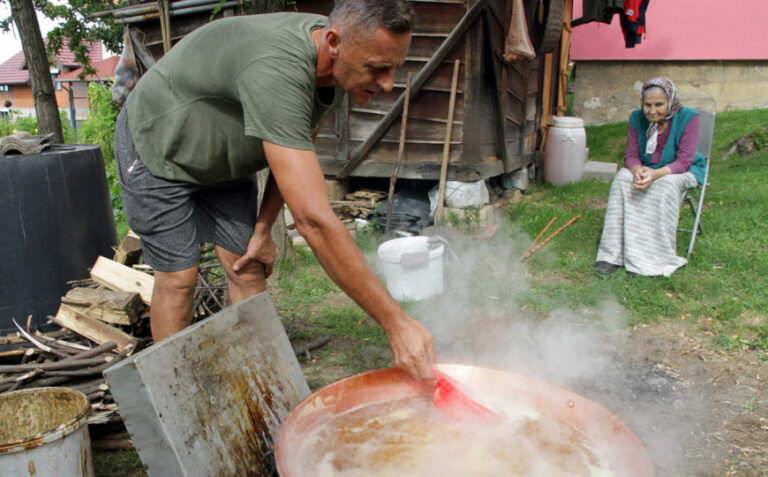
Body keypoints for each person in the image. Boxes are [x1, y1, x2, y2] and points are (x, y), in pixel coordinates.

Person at [114, 0, 436, 381]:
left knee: (247, 265)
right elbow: (313, 221)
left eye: (394, 67)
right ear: (334, 42)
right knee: (180, 279)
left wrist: (264, 228)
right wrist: (397, 323)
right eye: (378, 68)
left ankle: (261, 388)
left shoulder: (337, 60)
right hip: (158, 142)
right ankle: (175, 390)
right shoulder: (280, 68)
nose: (388, 84)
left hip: (223, 160)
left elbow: (299, 145)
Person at [594, 77, 707, 277]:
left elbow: (684, 161)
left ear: (670, 101)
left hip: (682, 171)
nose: (652, 111)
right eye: (648, 105)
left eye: (659, 104)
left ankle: (651, 258)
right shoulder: (636, 117)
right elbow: (631, 156)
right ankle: (612, 254)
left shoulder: (689, 117)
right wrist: (637, 170)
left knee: (664, 186)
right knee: (622, 178)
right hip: (649, 168)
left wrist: (655, 174)